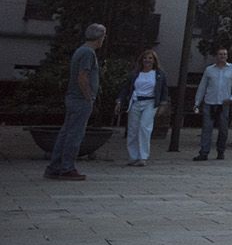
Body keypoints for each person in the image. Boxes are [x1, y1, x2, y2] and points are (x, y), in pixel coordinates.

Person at [46, 24, 107, 180]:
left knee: (66, 132)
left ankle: (55, 166)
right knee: (75, 134)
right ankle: (67, 168)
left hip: (73, 97)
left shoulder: (81, 50)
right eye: (103, 36)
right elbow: (82, 76)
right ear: (100, 37)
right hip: (80, 99)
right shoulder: (88, 53)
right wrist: (88, 96)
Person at [116, 48, 168, 167]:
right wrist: (119, 100)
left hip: (150, 102)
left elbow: (164, 90)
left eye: (150, 58)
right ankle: (133, 156)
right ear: (141, 60)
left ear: (154, 61)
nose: (147, 60)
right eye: (145, 58)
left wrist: (163, 103)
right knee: (133, 129)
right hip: (135, 101)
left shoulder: (159, 74)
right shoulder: (135, 74)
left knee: (145, 127)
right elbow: (126, 88)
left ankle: (143, 156)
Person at [192, 46, 232, 161]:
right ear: (216, 56)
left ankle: (221, 150)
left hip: (224, 103)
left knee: (223, 129)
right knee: (207, 128)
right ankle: (204, 152)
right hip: (210, 102)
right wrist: (197, 102)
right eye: (220, 54)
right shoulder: (209, 70)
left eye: (224, 54)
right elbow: (202, 86)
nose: (222, 56)